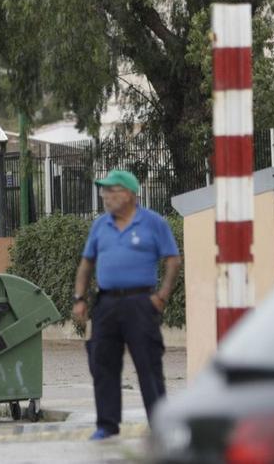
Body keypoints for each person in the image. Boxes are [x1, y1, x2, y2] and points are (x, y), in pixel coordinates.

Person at [71, 169, 181, 441]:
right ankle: (106, 425)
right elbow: (87, 263)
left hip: (141, 303)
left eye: (112, 191)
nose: (106, 197)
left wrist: (162, 296)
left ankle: (160, 424)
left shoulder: (153, 223)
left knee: (149, 365)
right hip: (106, 303)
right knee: (103, 364)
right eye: (104, 191)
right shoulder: (100, 225)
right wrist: (80, 298)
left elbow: (172, 260)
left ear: (130, 194)